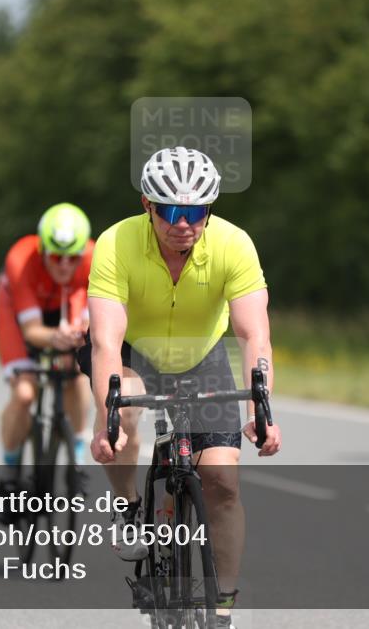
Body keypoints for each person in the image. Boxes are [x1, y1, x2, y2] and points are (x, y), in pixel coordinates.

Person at [78, 146, 281, 628]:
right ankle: (129, 507)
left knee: (223, 484)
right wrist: (107, 419)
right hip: (135, 350)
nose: (182, 223)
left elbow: (254, 334)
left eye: (195, 211)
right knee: (123, 417)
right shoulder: (116, 243)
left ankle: (223, 608)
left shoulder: (235, 245)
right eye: (170, 211)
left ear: (209, 210)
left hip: (200, 355)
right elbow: (104, 340)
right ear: (148, 204)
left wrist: (262, 409)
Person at [0, 203, 95, 514]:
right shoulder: (21, 259)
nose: (64, 264)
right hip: (20, 312)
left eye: (72, 257)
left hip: (66, 302)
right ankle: (10, 476)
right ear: (42, 249)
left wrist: (78, 337)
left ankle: (76, 460)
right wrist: (55, 339)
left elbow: (89, 313)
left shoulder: (94, 257)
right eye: (56, 257)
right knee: (25, 394)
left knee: (77, 375)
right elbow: (33, 330)